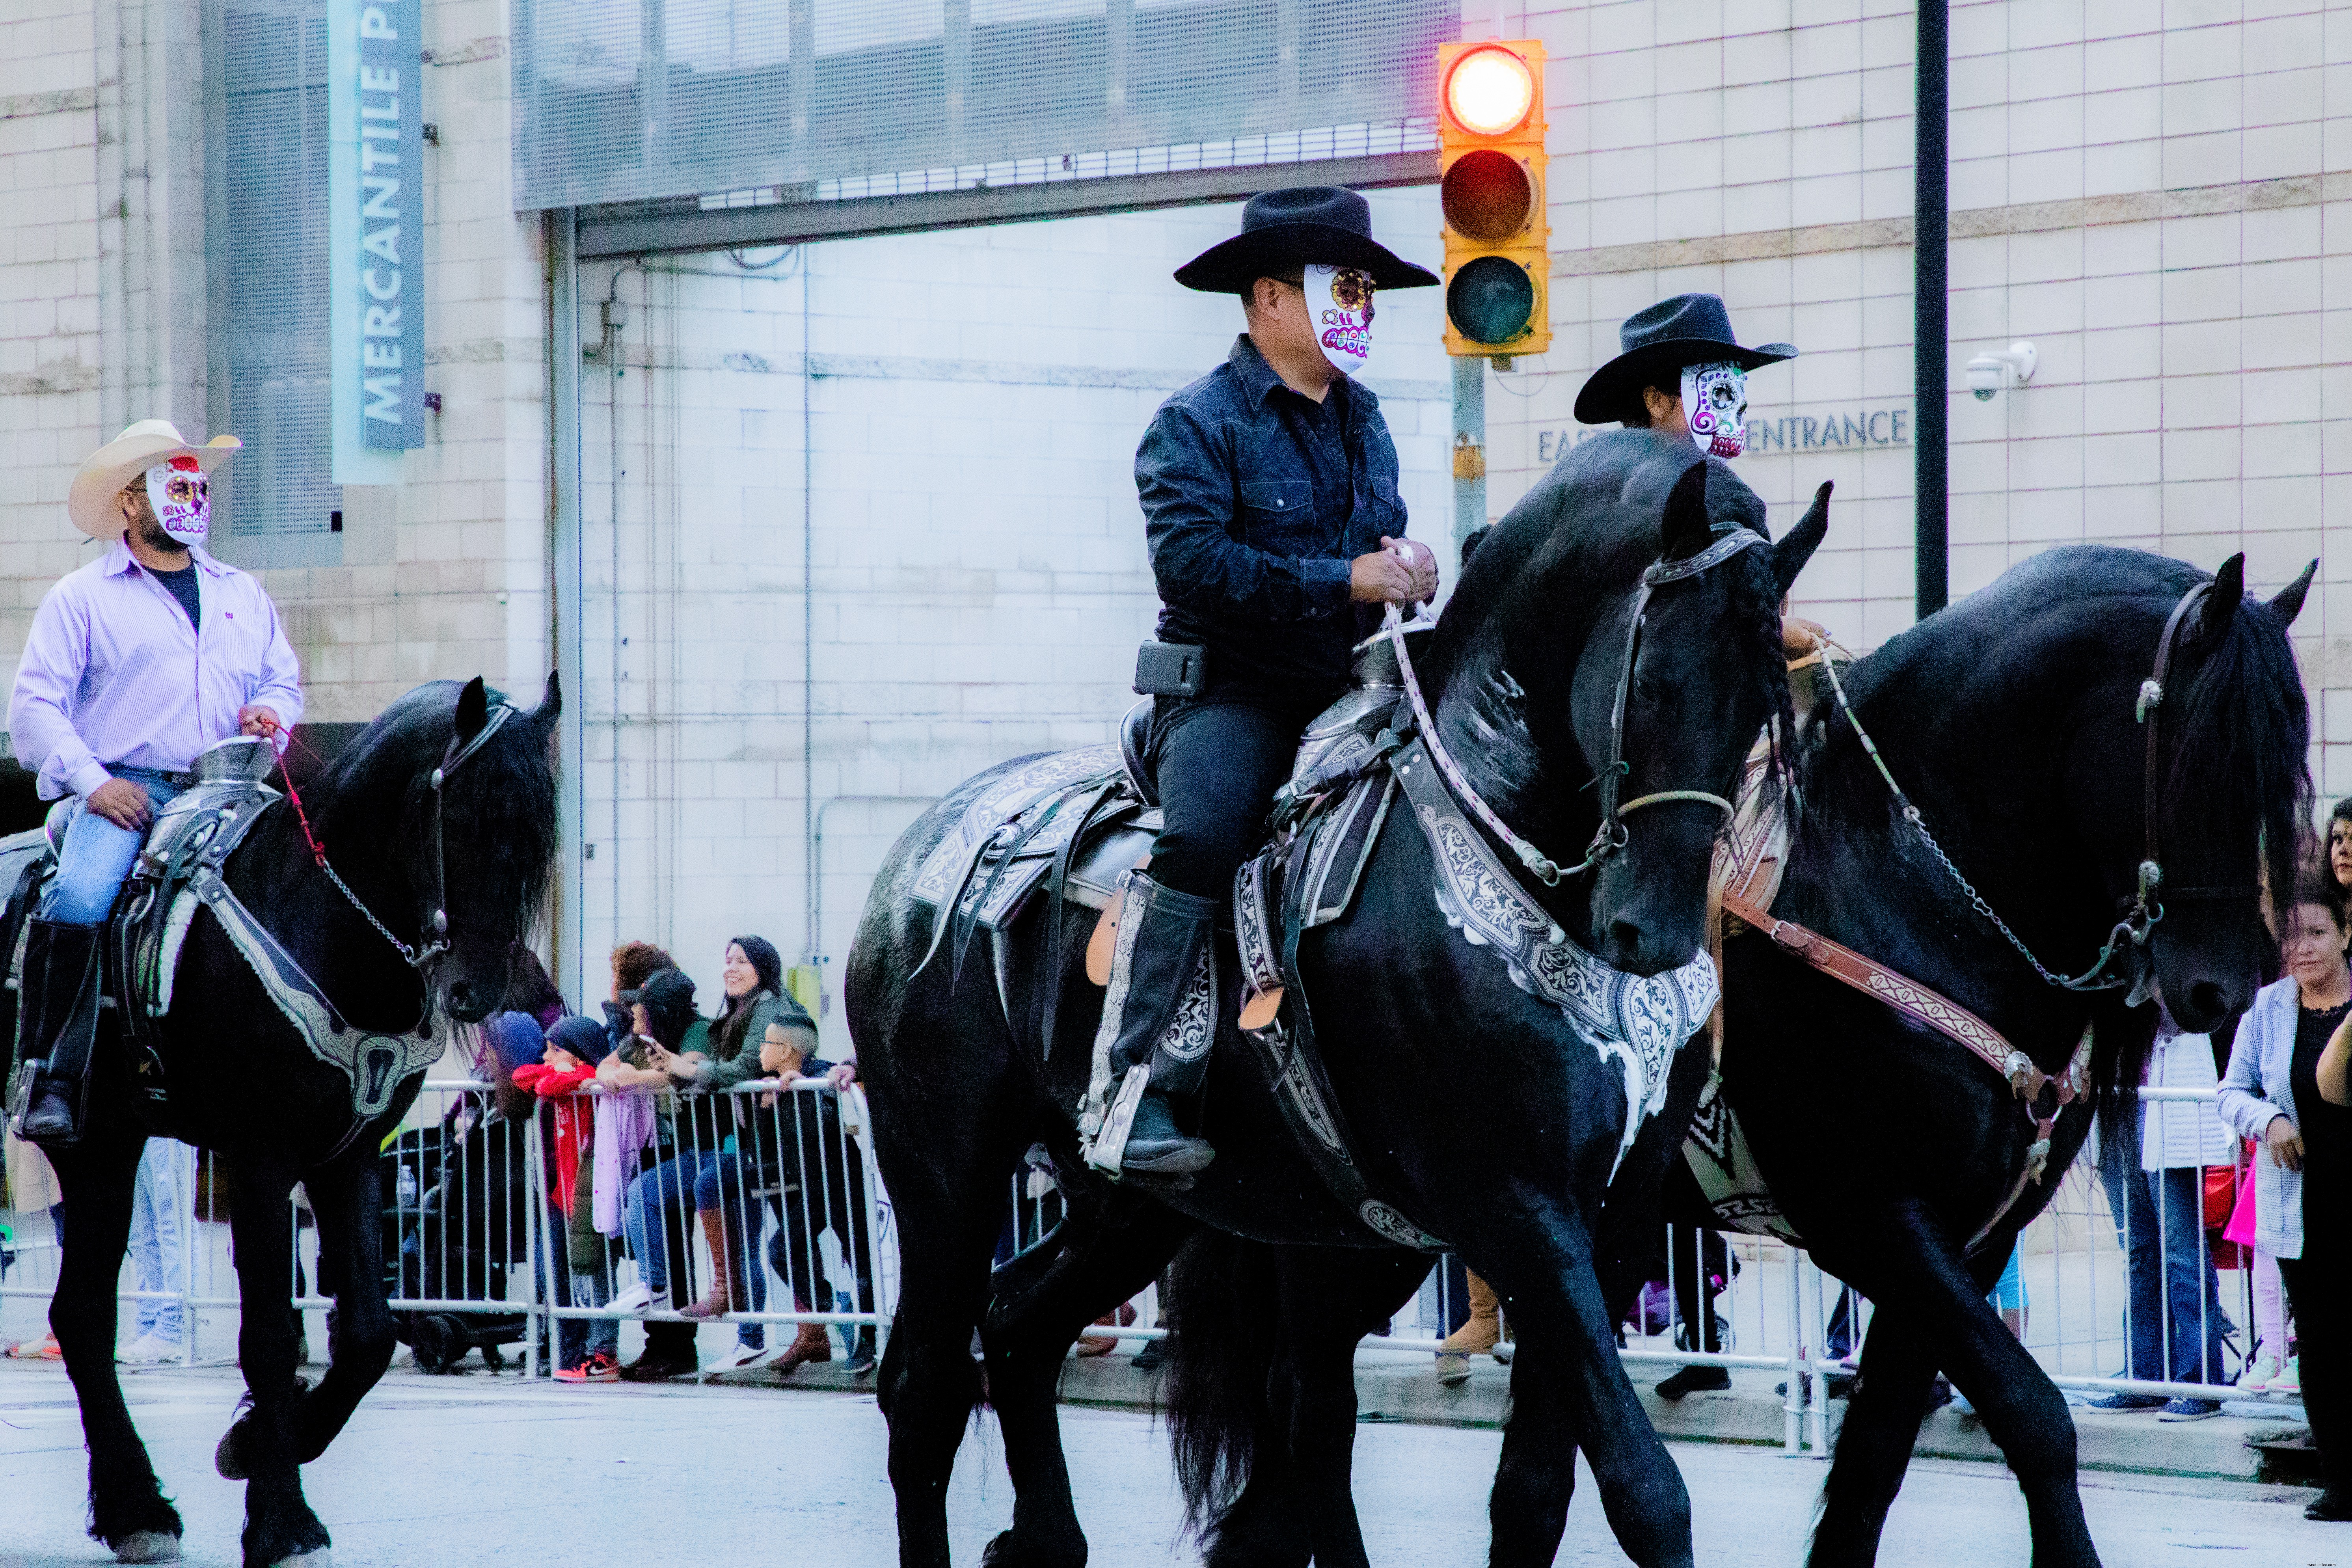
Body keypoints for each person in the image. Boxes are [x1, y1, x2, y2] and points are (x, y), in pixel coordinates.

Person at [1081, 186, 1441, 1178]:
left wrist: (1406, 565)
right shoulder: (1194, 422)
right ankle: (1135, 1082)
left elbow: (1377, 546)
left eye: (1369, 291)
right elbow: (1192, 566)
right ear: (1271, 299)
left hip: (1352, 687)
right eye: (1349, 288)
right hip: (1227, 694)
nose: (1364, 310)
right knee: (1201, 836)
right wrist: (1346, 577)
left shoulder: (1367, 420)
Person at [7, 419, 301, 1146]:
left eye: (197, 483)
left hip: (231, 789)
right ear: (131, 503)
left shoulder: (243, 591)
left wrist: (275, 712)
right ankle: (54, 1073)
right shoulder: (83, 597)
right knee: (78, 893)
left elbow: (282, 679)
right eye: (175, 484)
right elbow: (34, 707)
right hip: (128, 793)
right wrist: (94, 783)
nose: (193, 494)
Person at [2219, 862, 2352, 1520]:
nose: (2302, 947)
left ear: (2346, 932)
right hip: (2300, 1205)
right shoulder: (2268, 1008)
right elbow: (2230, 1092)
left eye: (2317, 933)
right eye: (2291, 936)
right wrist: (2266, 1119)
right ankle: (2343, 1478)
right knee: (2322, 1344)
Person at [652, 937, 804, 1370]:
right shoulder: (742, 1011)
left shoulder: (771, 1006)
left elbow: (743, 1069)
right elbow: (718, 1069)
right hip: (757, 1142)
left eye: (742, 961)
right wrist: (677, 1068)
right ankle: (772, 1331)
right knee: (774, 1240)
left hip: (785, 1141)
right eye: (727, 960)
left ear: (763, 967)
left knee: (785, 1241)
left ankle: (828, 1331)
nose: (731, 968)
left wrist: (689, 1069)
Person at [2088, 1000, 2237, 1418]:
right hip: (2120, 1102)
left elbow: (2184, 1014)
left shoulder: (2170, 948)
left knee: (2182, 1251)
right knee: (2138, 1252)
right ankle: (2144, 1377)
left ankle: (2201, 1383)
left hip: (2171, 1102)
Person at [756, 1013, 877, 1375]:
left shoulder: (823, 1072)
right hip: (812, 1190)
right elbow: (766, 1147)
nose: (761, 1050)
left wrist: (808, 1085)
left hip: (845, 1185)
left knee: (861, 1260)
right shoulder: (771, 1085)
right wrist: (763, 1110)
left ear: (786, 1050)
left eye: (767, 1043)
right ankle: (832, 1303)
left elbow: (835, 1117)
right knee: (781, 1250)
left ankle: (868, 1341)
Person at [602, 967, 706, 1380]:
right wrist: (614, 1076)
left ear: (662, 1008)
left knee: (676, 1250)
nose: (634, 1009)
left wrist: (632, 1078)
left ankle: (678, 1346)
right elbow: (606, 1068)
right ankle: (658, 1343)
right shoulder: (640, 1036)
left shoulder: (697, 1030)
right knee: (654, 1236)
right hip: (658, 1149)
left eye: (641, 1002)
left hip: (697, 1146)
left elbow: (684, 1070)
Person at [516, 1015, 620, 1382]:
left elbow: (584, 1077)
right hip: (563, 1192)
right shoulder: (558, 1077)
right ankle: (575, 1349)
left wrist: (561, 1075)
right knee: (557, 1269)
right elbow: (521, 1076)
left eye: (554, 1049)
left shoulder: (590, 1078)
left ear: (578, 1055)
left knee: (593, 1271)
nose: (545, 1056)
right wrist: (554, 1071)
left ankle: (603, 1351)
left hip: (591, 1191)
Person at [1572, 292, 1796, 453]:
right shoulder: (1612, 504)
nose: (1737, 411)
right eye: (1719, 393)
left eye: (1739, 392)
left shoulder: (1725, 498)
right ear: (1656, 401)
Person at [117, 1137, 194, 1364]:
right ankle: (151, 1323)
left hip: (168, 1119)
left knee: (173, 1223)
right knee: (142, 1231)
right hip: (138, 1118)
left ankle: (172, 1329)